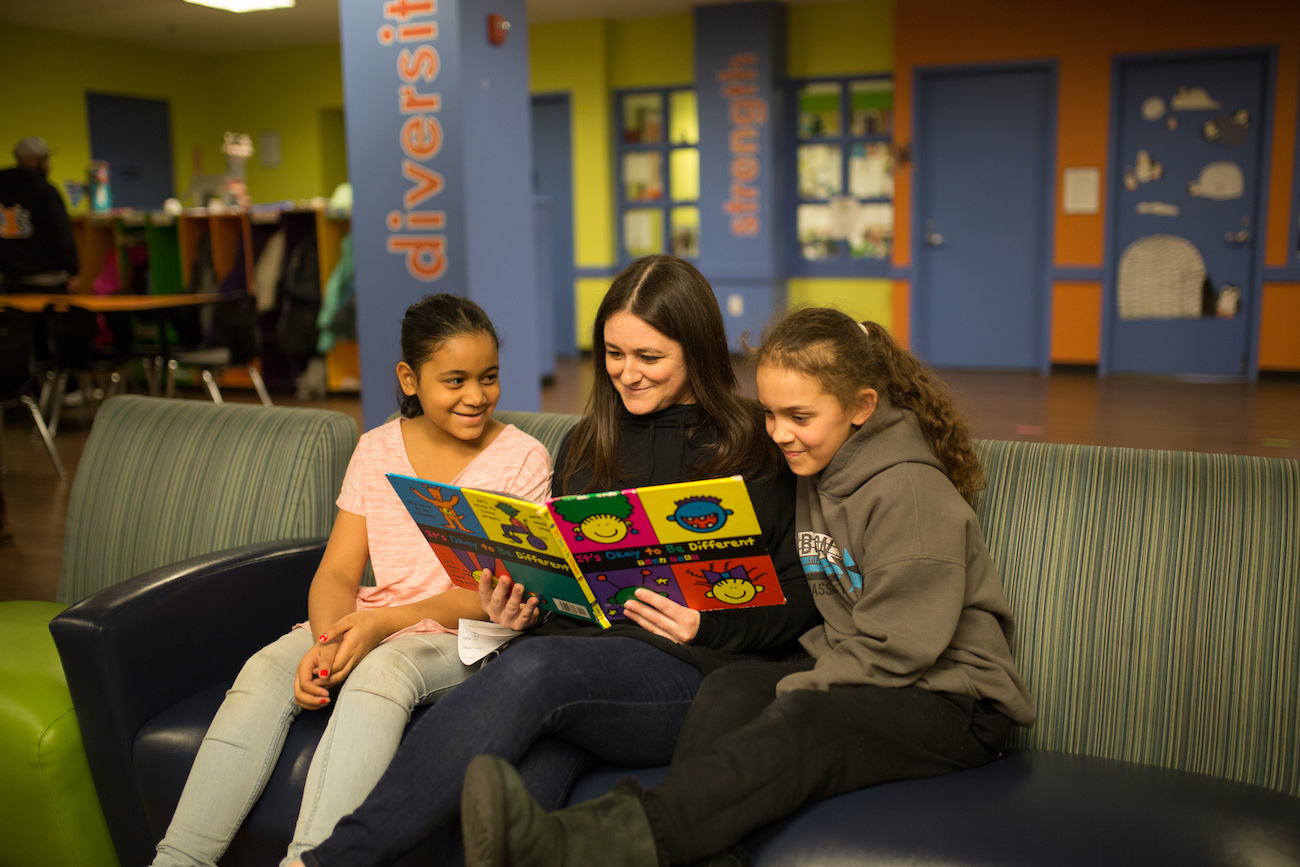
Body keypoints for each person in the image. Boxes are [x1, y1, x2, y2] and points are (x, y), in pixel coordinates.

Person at [289, 255, 819, 867]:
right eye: (614, 355)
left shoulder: (757, 443)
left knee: (535, 670)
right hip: (583, 664)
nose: (628, 374)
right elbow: (561, 587)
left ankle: (333, 860)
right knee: (497, 804)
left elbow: (807, 592)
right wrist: (515, 603)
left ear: (697, 350)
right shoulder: (588, 442)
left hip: (690, 673)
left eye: (650, 358)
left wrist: (710, 622)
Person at [459, 307, 1037, 867]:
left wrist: (801, 687)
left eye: (799, 417)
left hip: (952, 700)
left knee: (806, 720)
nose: (779, 435)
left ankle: (575, 846)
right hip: (871, 671)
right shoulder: (822, 464)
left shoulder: (908, 494)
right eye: (769, 414)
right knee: (732, 688)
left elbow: (899, 649)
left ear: (862, 407)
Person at [151, 294, 552, 867]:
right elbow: (338, 570)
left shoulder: (522, 460)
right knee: (264, 668)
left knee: (383, 671)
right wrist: (328, 639)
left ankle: (313, 859)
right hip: (371, 616)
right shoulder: (377, 448)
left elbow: (491, 597)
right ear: (410, 379)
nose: (476, 396)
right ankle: (177, 859)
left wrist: (376, 627)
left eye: (487, 378)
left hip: (461, 632)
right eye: (455, 380)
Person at [0, 136, 78, 293]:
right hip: (49, 283)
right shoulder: (46, 192)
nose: (49, 165)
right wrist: (73, 270)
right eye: (45, 159)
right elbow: (61, 236)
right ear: (32, 161)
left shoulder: (2, 191)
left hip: (10, 283)